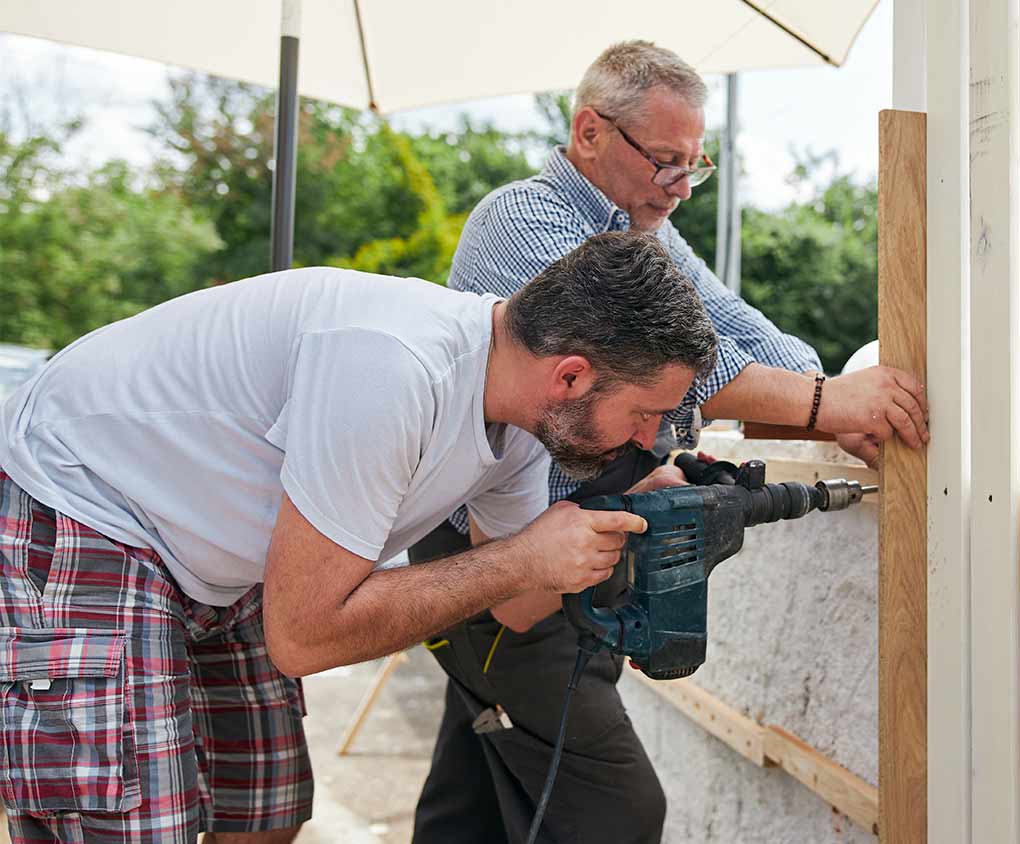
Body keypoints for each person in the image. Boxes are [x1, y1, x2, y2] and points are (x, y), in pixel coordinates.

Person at [0, 230, 717, 844]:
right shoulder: (395, 368)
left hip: (214, 547)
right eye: (647, 413)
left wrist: (622, 518)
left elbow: (517, 607)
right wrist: (524, 555)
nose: (650, 439)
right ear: (570, 376)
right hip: (85, 500)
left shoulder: (529, 429)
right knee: (134, 822)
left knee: (265, 808)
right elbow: (306, 637)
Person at [409, 40, 930, 844]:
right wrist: (827, 402)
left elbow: (747, 335)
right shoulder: (523, 218)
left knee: (473, 796)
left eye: (696, 165)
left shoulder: (644, 234)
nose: (681, 188)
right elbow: (647, 361)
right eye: (663, 160)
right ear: (589, 133)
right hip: (496, 559)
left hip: (559, 552)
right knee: (617, 810)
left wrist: (821, 390)